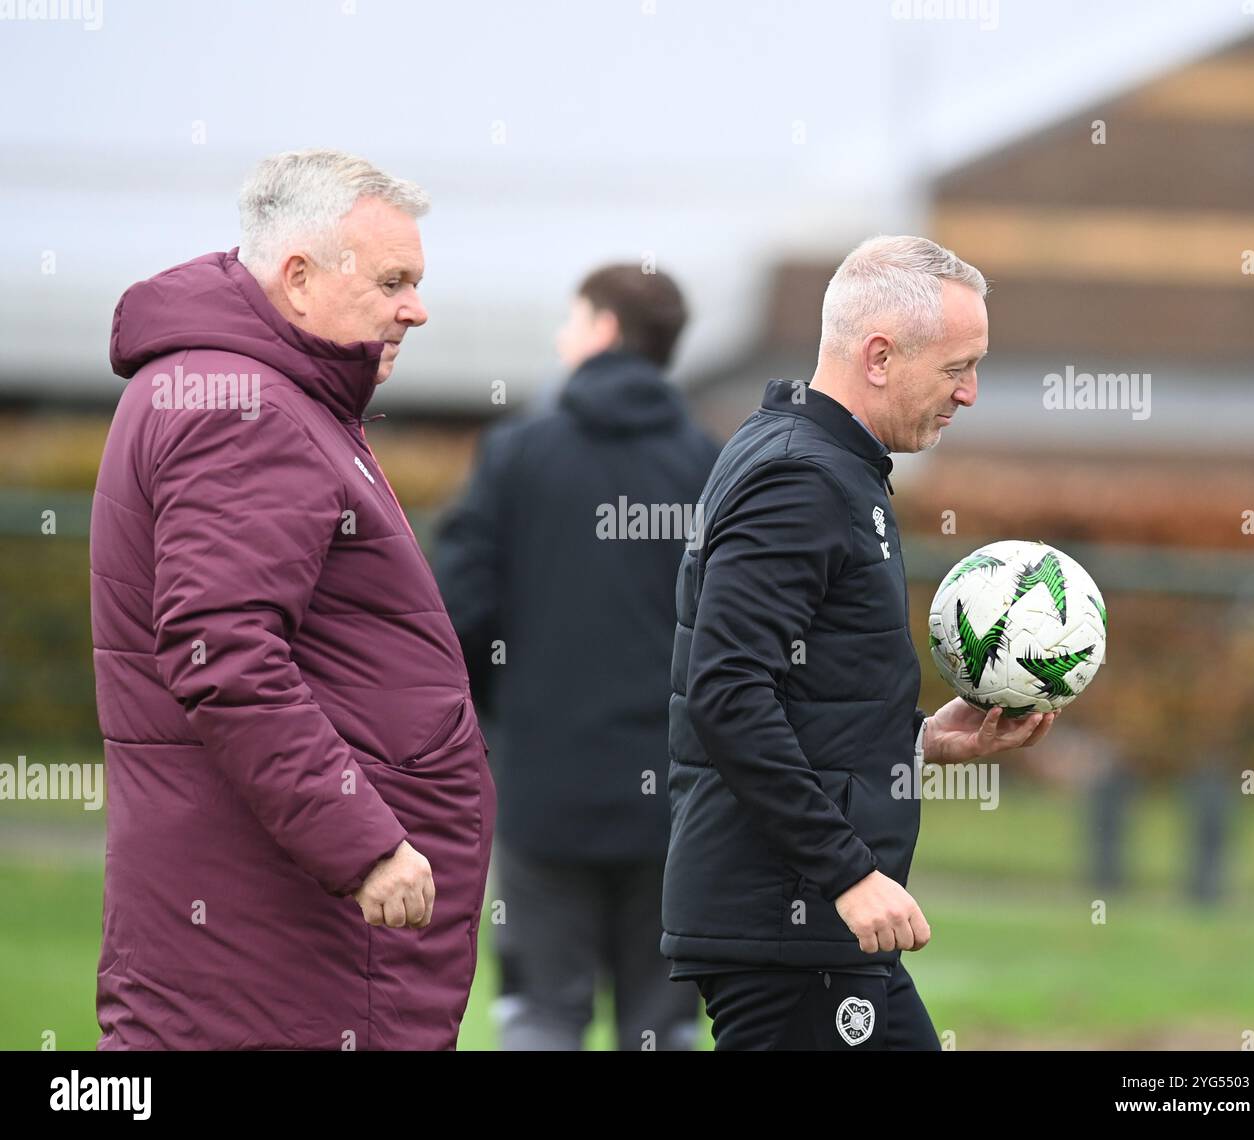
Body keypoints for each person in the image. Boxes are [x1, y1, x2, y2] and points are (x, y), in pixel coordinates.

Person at [91, 149, 495, 1050]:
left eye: (416, 283)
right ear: (300, 278)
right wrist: (364, 842)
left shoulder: (238, 389)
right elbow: (225, 658)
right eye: (392, 280)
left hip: (256, 937)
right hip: (279, 942)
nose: (415, 308)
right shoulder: (244, 409)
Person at [661, 235, 1058, 1051]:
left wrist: (914, 741)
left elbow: (797, 693)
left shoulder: (831, 463)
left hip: (803, 925)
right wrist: (845, 870)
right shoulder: (800, 477)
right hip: (789, 920)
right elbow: (729, 693)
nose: (972, 393)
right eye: (958, 368)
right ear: (880, 355)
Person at [435, 264, 719, 1050]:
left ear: (602, 330)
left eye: (573, 319)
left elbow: (456, 612)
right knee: (663, 1026)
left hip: (543, 789)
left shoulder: (516, 454)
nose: (562, 337)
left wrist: (507, 712)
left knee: (540, 1015)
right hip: (680, 797)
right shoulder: (714, 467)